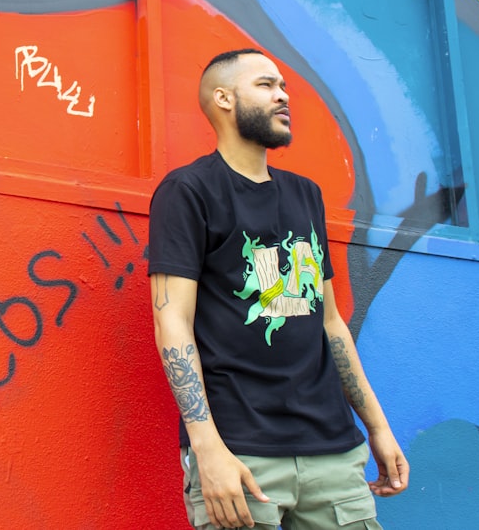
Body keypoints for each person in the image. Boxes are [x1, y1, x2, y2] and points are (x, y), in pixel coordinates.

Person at [147, 48, 408, 529]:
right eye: (266, 86)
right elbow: (172, 320)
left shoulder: (305, 194)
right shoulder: (188, 191)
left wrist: (378, 428)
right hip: (241, 453)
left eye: (284, 86)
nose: (283, 96)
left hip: (332, 451)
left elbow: (330, 323)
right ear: (224, 99)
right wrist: (207, 448)